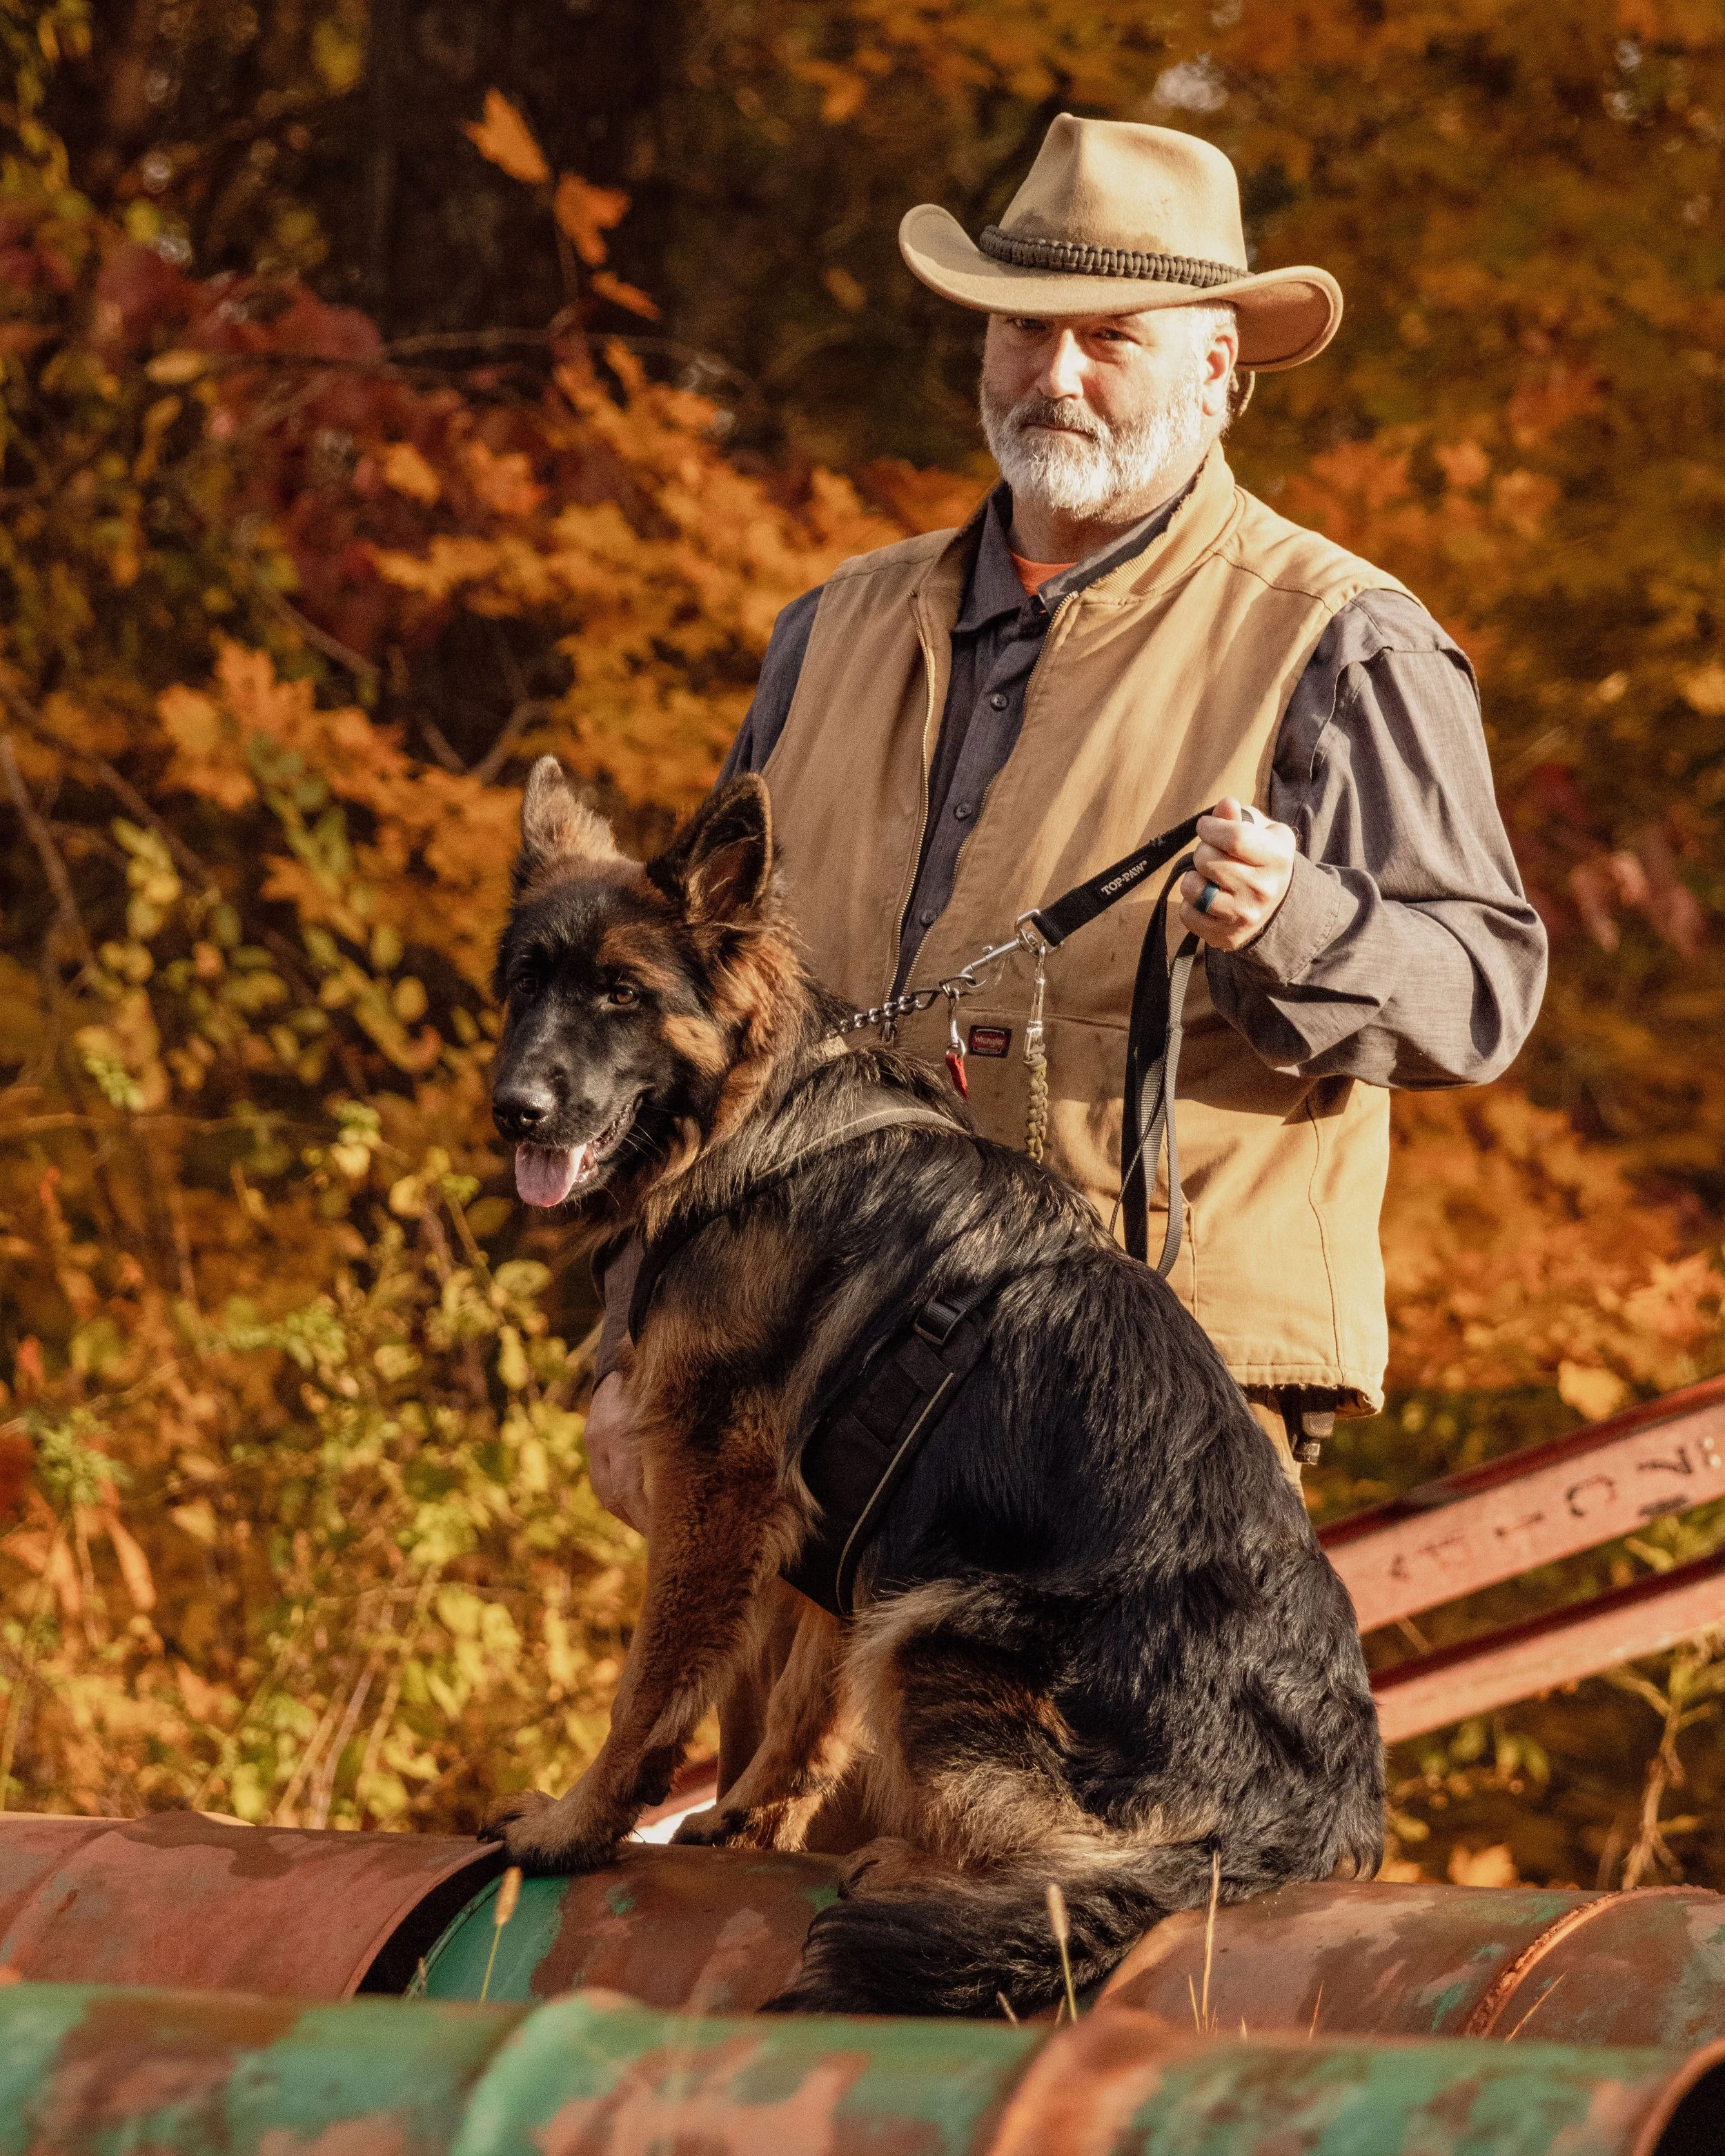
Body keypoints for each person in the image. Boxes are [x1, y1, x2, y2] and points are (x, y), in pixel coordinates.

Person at [584, 115, 1546, 1539]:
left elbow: (1480, 993)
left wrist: (1298, 925)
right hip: (803, 1375)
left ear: (1216, 365)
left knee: (1078, 1777)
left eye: (1110, 336)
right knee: (792, 1776)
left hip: (1141, 1404)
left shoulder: (1343, 643)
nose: (1055, 374)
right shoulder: (829, 626)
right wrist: (628, 1346)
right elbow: (691, 1018)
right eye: (1022, 329)